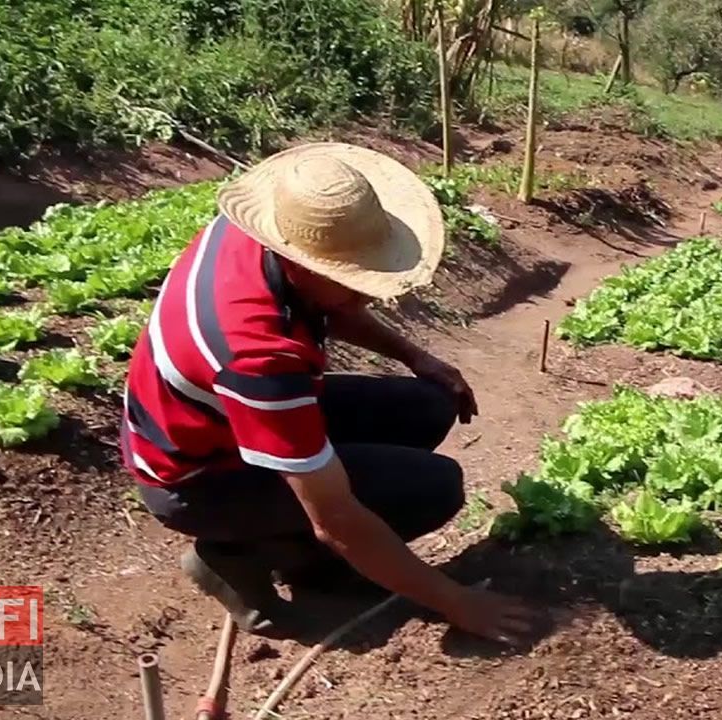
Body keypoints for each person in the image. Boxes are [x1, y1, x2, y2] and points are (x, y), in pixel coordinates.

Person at [121, 142, 533, 643]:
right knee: (435, 488)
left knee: (430, 405)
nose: (368, 295)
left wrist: (414, 355)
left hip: (210, 421)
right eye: (354, 280)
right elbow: (335, 518)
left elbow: (328, 303)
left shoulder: (259, 233)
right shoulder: (258, 356)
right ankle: (246, 557)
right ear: (302, 264)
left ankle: (297, 542)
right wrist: (456, 601)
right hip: (197, 478)